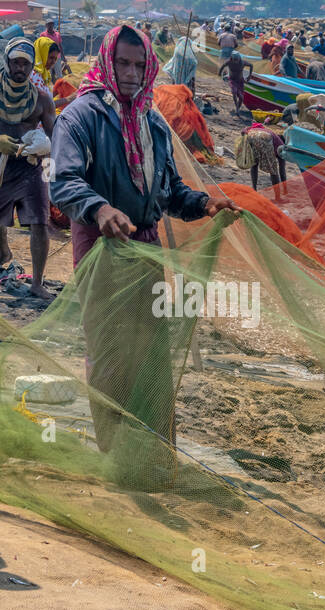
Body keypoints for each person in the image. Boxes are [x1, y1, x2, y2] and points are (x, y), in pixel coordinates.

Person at [48, 25, 235, 475]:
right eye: (123, 64)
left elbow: (168, 191)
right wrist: (99, 208)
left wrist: (204, 203)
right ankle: (116, 454)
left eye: (139, 65)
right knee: (112, 352)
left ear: (150, 66)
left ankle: (153, 450)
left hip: (147, 249)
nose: (131, 74)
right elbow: (64, 182)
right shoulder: (82, 116)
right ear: (108, 63)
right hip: (102, 246)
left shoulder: (152, 122)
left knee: (150, 351)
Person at [0, 38, 56, 299]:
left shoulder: (41, 100)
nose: (20, 68)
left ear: (32, 66)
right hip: (1, 167)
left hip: (30, 168)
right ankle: (4, 256)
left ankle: (37, 282)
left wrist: (46, 154)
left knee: (40, 223)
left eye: (25, 64)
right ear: (7, 61)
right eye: (15, 63)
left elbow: (56, 138)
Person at [243, 123, 286, 199]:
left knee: (254, 164)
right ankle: (278, 197)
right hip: (265, 137)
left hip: (251, 134)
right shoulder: (281, 145)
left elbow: (243, 131)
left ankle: (254, 189)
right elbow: (282, 170)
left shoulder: (272, 134)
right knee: (273, 171)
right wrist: (285, 188)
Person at [218, 52, 253, 116]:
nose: (236, 62)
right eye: (235, 60)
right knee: (234, 92)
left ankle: (237, 108)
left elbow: (251, 65)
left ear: (239, 59)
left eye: (237, 60)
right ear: (232, 59)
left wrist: (249, 76)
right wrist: (220, 73)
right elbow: (222, 66)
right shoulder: (229, 62)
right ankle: (236, 107)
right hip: (232, 80)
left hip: (240, 81)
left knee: (241, 97)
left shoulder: (243, 63)